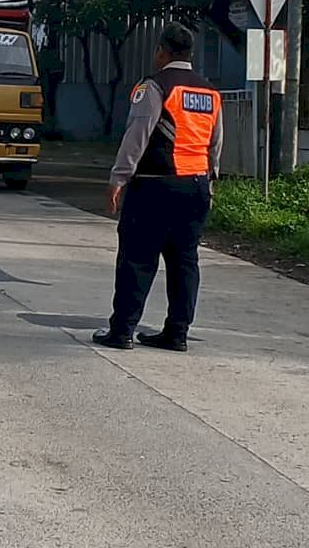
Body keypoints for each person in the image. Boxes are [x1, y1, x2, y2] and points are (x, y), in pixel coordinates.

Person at [93, 22, 223, 353]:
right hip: (196, 186)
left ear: (162, 51)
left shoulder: (155, 86)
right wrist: (210, 181)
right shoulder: (209, 91)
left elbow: (138, 133)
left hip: (155, 184)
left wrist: (118, 177)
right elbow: (215, 143)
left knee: (137, 258)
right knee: (185, 260)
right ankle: (177, 333)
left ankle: (122, 330)